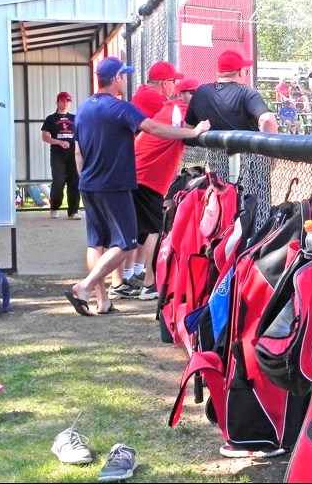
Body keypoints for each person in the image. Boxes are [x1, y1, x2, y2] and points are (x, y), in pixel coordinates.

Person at [63, 57, 210, 316]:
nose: (127, 80)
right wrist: (193, 132)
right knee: (127, 242)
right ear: (117, 78)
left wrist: (84, 177)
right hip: (114, 184)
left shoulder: (84, 108)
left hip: (88, 183)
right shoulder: (119, 108)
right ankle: (84, 287)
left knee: (96, 243)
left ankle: (102, 300)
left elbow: (78, 152)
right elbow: (154, 128)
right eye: (125, 75)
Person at [124, 77, 203, 302]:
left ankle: (128, 279)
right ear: (181, 95)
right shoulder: (180, 111)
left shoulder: (172, 108)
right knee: (155, 230)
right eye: (193, 93)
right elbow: (189, 128)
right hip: (146, 178)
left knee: (140, 231)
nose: (197, 99)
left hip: (140, 176)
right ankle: (150, 283)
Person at [185, 50, 278, 135]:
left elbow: (188, 128)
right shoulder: (246, 92)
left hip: (209, 152)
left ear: (219, 73)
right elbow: (267, 120)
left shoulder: (200, 92)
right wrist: (270, 151)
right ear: (240, 72)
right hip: (244, 152)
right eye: (246, 71)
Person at [41, 91, 81, 219]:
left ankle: (73, 211)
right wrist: (58, 142)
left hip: (73, 155)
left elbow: (81, 134)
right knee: (58, 181)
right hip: (58, 155)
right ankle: (54, 206)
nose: (65, 103)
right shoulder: (51, 119)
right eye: (63, 100)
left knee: (74, 181)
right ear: (58, 102)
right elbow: (45, 137)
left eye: (68, 101)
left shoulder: (75, 118)